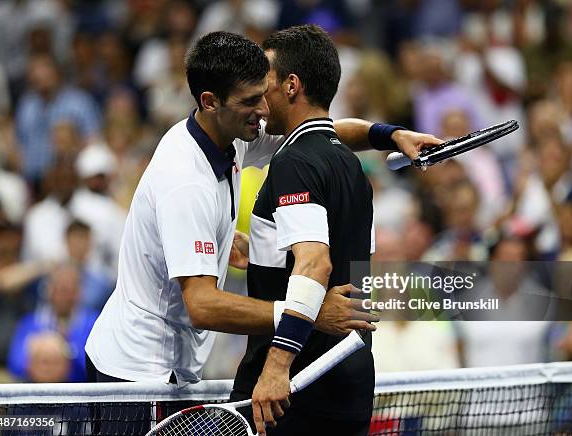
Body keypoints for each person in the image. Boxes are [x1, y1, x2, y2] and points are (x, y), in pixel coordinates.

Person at [84, 30, 439, 434]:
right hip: (137, 373)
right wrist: (306, 315)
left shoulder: (231, 134)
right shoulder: (185, 181)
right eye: (251, 102)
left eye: (263, 95)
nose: (263, 110)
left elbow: (323, 130)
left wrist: (389, 134)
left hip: (171, 369)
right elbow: (202, 305)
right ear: (210, 102)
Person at [230, 25, 441, 436]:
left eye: (266, 80)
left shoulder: (294, 163)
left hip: (299, 387)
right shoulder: (352, 167)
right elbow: (344, 260)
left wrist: (276, 366)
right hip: (352, 378)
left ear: (291, 86)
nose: (259, 93)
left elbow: (314, 265)